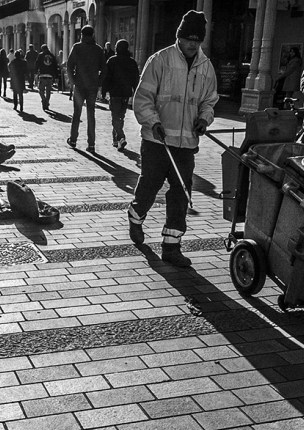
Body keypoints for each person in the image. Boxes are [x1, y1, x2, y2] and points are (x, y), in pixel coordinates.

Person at [128, 10, 218, 268]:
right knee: (149, 186)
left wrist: (205, 118)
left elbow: (209, 100)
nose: (192, 44)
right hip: (158, 141)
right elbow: (143, 98)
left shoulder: (206, 67)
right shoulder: (160, 60)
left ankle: (171, 246)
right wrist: (153, 122)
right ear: (179, 36)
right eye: (188, 38)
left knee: (181, 193)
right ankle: (135, 216)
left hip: (187, 145)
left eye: (197, 40)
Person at [66, 25, 107, 152]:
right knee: (91, 114)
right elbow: (104, 69)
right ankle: (91, 144)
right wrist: (98, 82)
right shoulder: (98, 49)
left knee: (76, 113)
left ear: (82, 35)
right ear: (93, 35)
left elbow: (69, 66)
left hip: (79, 85)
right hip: (92, 86)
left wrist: (73, 81)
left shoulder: (77, 47)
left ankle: (73, 140)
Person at [103, 39, 140, 152]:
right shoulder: (132, 62)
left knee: (115, 116)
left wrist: (104, 91)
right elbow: (136, 79)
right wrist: (136, 92)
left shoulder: (112, 61)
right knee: (120, 116)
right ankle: (116, 140)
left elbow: (106, 77)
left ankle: (120, 136)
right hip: (125, 93)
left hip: (115, 93)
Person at [35, 45, 59, 110]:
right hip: (50, 76)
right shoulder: (52, 56)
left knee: (41, 90)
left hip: (42, 75)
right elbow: (55, 66)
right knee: (48, 92)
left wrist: (35, 73)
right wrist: (56, 76)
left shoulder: (40, 55)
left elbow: (37, 64)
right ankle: (47, 102)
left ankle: (44, 100)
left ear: (42, 49)